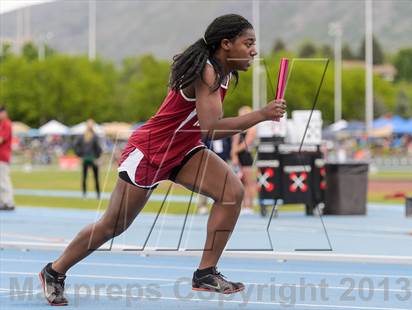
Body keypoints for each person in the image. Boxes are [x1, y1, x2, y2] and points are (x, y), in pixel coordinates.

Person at [39, 14, 286, 306]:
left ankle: (205, 273)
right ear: (226, 44)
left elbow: (201, 130)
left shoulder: (224, 74)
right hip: (151, 152)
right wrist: (261, 114)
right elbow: (212, 127)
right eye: (249, 43)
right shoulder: (206, 71)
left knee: (232, 192)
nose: (255, 50)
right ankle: (54, 271)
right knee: (113, 225)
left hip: (183, 150)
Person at [231, 106, 257, 214]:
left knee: (248, 182)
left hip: (246, 156)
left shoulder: (252, 128)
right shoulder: (238, 128)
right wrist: (234, 156)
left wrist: (235, 150)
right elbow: (234, 142)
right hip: (238, 156)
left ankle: (249, 205)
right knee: (239, 183)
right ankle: (241, 204)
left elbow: (247, 142)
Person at [73, 119, 102, 199]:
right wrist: (80, 155)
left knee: (88, 177)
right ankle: (94, 194)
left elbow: (75, 146)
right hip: (90, 159)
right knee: (92, 177)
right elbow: (98, 149)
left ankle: (88, 194)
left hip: (89, 158)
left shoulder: (91, 136)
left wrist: (80, 155)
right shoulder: (88, 136)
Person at [0, 106, 15, 211]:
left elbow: (1, 139)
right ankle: (4, 201)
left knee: (4, 180)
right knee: (1, 180)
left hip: (3, 156)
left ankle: (8, 202)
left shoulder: (6, 123)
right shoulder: (2, 123)